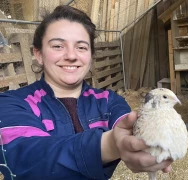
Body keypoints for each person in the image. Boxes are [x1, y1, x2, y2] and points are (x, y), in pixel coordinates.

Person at [0, 5, 172, 180]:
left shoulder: (108, 101)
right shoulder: (11, 104)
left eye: (81, 47)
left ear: (90, 56)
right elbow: (24, 156)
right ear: (39, 54)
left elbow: (131, 128)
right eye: (58, 46)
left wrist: (147, 139)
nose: (71, 55)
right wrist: (110, 145)